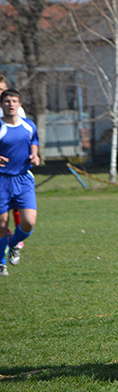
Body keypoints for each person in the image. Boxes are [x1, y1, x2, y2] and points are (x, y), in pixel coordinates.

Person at [0, 89, 39, 276]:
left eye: (14, 101)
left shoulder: (29, 125)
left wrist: (35, 154)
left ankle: (13, 243)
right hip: (1, 180)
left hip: (23, 179)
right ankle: (1, 262)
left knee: (29, 222)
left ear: (19, 104)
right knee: (1, 224)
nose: (10, 104)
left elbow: (34, 140)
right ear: (2, 105)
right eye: (7, 101)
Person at [0, 77, 26, 265]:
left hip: (17, 171)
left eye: (2, 89)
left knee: (19, 208)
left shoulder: (18, 111)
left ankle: (15, 239)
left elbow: (27, 136)